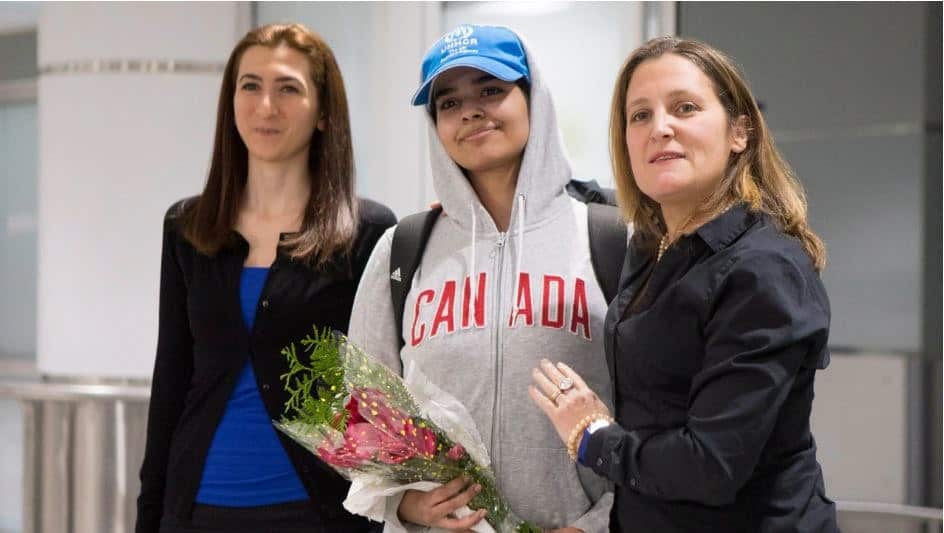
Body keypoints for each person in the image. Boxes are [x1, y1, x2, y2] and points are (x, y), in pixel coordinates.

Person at [530, 36, 838, 532]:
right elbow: (587, 191)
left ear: (740, 132)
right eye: (640, 116)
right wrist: (491, 199)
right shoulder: (656, 242)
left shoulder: (763, 271)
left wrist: (590, 437)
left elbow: (710, 467)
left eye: (685, 108)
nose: (661, 129)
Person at [347, 24, 614, 533]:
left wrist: (599, 524)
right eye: (448, 103)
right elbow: (364, 412)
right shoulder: (403, 250)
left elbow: (656, 414)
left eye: (492, 89)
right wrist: (401, 505)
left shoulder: (607, 237)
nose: (470, 110)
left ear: (533, 98)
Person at [136, 23, 396, 533]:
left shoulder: (367, 232)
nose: (266, 106)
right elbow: (171, 379)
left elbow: (381, 394)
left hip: (319, 511)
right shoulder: (188, 229)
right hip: (198, 510)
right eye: (250, 85)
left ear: (324, 112)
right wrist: (150, 514)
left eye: (288, 89)